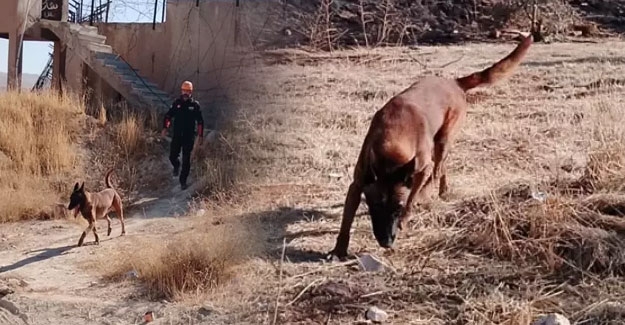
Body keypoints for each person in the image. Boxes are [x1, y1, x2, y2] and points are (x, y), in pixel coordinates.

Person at [161, 80, 204, 190]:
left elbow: (200, 121)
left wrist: (200, 136)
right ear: (181, 91)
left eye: (187, 91)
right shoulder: (177, 103)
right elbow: (168, 116)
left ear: (191, 92)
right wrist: (165, 127)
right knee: (172, 156)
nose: (185, 93)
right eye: (184, 91)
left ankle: (183, 181)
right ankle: (176, 165)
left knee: (186, 159)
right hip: (177, 135)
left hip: (189, 137)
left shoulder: (195, 105)